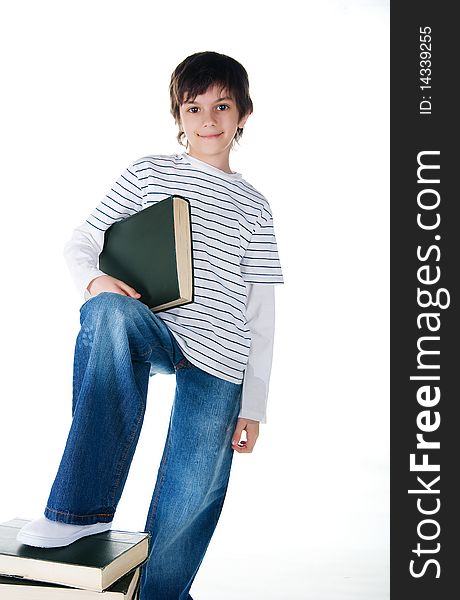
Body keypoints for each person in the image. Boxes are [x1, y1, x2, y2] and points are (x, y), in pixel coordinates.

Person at [16, 51, 284, 599]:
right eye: (194, 107)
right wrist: (95, 282)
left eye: (221, 106)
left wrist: (254, 403)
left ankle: (160, 594)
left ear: (243, 115)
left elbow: (261, 311)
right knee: (105, 313)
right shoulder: (149, 173)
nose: (208, 119)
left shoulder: (256, 205)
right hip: (151, 323)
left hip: (221, 351)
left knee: (192, 491)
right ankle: (80, 510)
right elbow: (82, 241)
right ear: (178, 116)